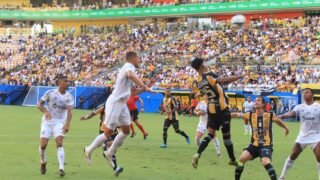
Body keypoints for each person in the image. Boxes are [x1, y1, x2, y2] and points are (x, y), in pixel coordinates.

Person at [83, 51, 154, 173]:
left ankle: (109, 153)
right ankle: (88, 150)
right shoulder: (128, 66)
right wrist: (145, 85)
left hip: (122, 104)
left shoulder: (131, 70)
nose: (139, 61)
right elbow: (130, 75)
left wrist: (145, 88)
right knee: (108, 132)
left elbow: (132, 92)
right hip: (115, 102)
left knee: (126, 130)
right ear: (133, 58)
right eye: (138, 58)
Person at [190, 57, 242, 168]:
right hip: (222, 109)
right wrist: (238, 76)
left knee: (210, 135)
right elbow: (224, 80)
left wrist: (198, 94)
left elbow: (193, 94)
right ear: (202, 66)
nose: (206, 63)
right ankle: (232, 159)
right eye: (204, 62)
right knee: (226, 138)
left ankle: (198, 154)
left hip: (211, 110)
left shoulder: (197, 82)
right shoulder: (209, 75)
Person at [231, 96, 289, 180]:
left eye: (258, 101)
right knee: (241, 159)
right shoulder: (250, 114)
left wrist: (286, 128)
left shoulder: (269, 115)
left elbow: (278, 121)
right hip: (254, 144)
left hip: (266, 144)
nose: (255, 102)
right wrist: (225, 115)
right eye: (255, 101)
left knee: (265, 162)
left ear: (263, 104)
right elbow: (237, 114)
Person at [279, 88, 320, 180]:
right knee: (293, 155)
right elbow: (292, 114)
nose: (304, 94)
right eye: (303, 93)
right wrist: (282, 116)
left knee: (319, 156)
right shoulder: (300, 106)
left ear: (312, 95)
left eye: (307, 92)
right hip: (302, 136)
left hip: (316, 136)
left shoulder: (318, 106)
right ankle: (282, 177)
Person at [37, 76, 74, 177]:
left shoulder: (69, 96)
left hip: (59, 122)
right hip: (47, 122)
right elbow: (39, 104)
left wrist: (67, 123)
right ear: (60, 83)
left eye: (68, 82)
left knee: (59, 143)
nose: (68, 83)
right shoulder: (50, 93)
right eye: (65, 82)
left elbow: (70, 111)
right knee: (43, 145)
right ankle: (43, 161)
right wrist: (46, 112)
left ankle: (61, 168)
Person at [80, 104, 123, 176]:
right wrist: (85, 117)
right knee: (110, 144)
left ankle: (99, 151)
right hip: (104, 130)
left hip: (114, 131)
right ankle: (115, 168)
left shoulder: (120, 107)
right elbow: (93, 113)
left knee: (113, 149)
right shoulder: (105, 105)